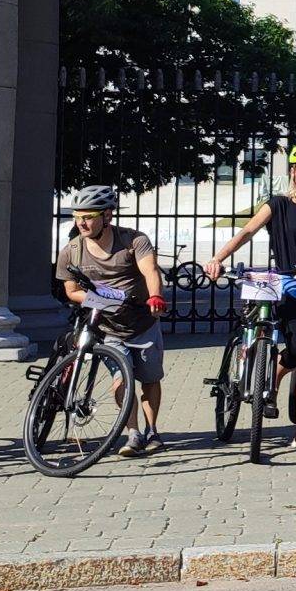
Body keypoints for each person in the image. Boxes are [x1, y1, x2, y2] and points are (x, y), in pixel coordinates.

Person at [206, 141, 296, 451]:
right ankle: (273, 382)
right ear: (293, 173)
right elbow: (247, 232)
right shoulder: (276, 204)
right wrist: (218, 257)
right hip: (287, 286)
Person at [53, 186, 170, 456]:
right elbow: (71, 291)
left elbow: (150, 270)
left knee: (150, 379)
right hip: (108, 328)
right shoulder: (71, 250)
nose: (81, 222)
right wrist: (101, 302)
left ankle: (152, 430)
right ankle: (133, 434)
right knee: (122, 379)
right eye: (77, 216)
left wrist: (155, 296)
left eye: (89, 216)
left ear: (107, 216)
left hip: (143, 322)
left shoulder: (133, 240)